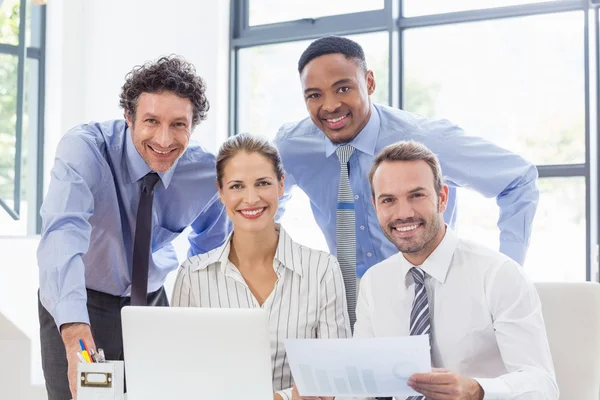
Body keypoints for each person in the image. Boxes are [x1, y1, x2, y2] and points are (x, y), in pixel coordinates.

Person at [274, 36, 539, 325]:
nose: (330, 105)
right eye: (314, 95)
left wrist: (509, 279)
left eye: (343, 88)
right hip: (346, 312)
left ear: (370, 83)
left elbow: (518, 179)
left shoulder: (425, 139)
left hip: (430, 305)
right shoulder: (293, 146)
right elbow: (264, 200)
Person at [37, 55, 229, 400]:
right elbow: (62, 235)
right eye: (151, 121)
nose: (164, 139)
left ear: (193, 125)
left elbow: (211, 254)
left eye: (179, 125)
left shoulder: (204, 172)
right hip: (81, 303)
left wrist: (200, 324)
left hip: (152, 305)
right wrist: (77, 335)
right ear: (129, 118)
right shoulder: (86, 149)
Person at [352, 141, 558, 399]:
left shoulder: (499, 274)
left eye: (416, 195)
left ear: (442, 198)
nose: (403, 213)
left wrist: (477, 390)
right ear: (375, 206)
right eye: (389, 200)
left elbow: (542, 385)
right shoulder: (374, 282)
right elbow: (362, 382)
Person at [172, 133, 350, 400]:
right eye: (236, 186)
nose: (251, 198)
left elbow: (338, 377)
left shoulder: (321, 269)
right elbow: (180, 377)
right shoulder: (193, 275)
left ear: (281, 186)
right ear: (220, 192)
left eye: (263, 183)